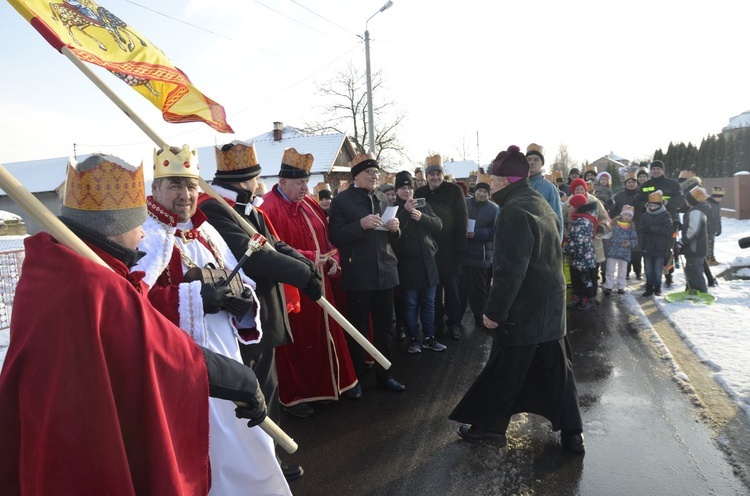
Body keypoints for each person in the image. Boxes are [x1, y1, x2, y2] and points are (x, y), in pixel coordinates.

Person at [0, 154, 268, 495]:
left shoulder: (50, 265)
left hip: (64, 422)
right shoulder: (93, 282)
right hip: (85, 439)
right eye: (137, 223)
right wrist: (241, 381)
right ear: (116, 226)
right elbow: (158, 348)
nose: (143, 234)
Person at [133, 145, 290, 495]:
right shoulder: (148, 235)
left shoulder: (206, 231)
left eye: (190, 185)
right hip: (182, 362)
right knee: (208, 444)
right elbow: (134, 303)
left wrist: (244, 301)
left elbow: (241, 279)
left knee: (246, 441)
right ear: (155, 188)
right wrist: (195, 298)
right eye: (174, 185)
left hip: (227, 352)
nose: (185, 194)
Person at [198, 143, 327, 480]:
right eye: (256, 179)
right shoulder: (215, 208)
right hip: (240, 318)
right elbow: (254, 258)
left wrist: (306, 265)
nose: (258, 185)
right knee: (251, 395)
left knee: (267, 389)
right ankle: (261, 463)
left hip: (262, 314)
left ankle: (271, 457)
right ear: (247, 182)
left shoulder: (248, 209)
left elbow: (272, 243)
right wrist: (303, 274)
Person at [450, 145, 584, 453]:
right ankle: (573, 434)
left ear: (506, 180)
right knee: (556, 371)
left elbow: (510, 271)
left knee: (504, 369)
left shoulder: (513, 210)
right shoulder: (536, 199)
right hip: (549, 305)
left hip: (526, 308)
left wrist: (493, 311)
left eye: (494, 180)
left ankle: (488, 427)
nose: (490, 184)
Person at [259, 147, 360, 403]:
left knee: (330, 332)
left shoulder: (311, 205)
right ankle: (300, 396)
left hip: (322, 282)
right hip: (291, 289)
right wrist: (311, 257)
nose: (305, 187)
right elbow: (271, 249)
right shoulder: (267, 209)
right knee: (300, 344)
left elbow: (328, 241)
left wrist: (334, 260)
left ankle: (340, 382)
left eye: (306, 181)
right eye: (299, 182)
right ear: (282, 182)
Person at [328, 153, 406, 395]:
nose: (374, 176)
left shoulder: (383, 198)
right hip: (359, 274)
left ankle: (385, 375)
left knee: (385, 329)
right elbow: (335, 236)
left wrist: (396, 229)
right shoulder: (341, 201)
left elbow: (393, 238)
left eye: (376, 172)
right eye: (369, 172)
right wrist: (360, 225)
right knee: (358, 329)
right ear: (356, 176)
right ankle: (356, 379)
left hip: (385, 272)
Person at [391, 170, 447, 354]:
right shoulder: (393, 208)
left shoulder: (422, 205)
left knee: (429, 302)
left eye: (409, 187)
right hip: (408, 265)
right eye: (402, 188)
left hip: (428, 263)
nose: (407, 191)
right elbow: (393, 235)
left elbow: (438, 225)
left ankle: (429, 338)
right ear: (397, 190)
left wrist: (421, 216)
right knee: (411, 303)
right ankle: (414, 339)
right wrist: (406, 214)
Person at [415, 154, 469, 340]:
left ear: (442, 174)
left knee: (452, 290)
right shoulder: (420, 194)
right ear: (426, 176)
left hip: (451, 249)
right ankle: (436, 322)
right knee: (434, 291)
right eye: (431, 174)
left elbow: (462, 220)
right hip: (429, 251)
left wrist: (461, 249)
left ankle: (454, 322)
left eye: (438, 173)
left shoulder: (454, 191)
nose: (435, 177)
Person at [637, 160, 683, 288]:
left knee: (669, 250)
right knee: (649, 250)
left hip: (669, 222)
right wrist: (645, 204)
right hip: (649, 222)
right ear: (650, 171)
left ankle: (668, 275)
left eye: (658, 169)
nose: (655, 171)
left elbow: (680, 201)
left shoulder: (673, 184)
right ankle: (650, 278)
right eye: (653, 169)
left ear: (663, 170)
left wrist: (667, 202)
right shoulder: (646, 185)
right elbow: (638, 201)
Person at [460, 175, 498, 328]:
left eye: (485, 191)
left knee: (480, 290)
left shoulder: (493, 209)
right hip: (463, 254)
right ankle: (456, 320)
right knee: (461, 289)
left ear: (488, 195)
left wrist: (477, 234)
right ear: (474, 191)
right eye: (479, 190)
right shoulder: (464, 203)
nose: (481, 194)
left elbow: (495, 231)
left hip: (481, 256)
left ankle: (480, 318)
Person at [564, 194, 599, 311]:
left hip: (583, 257)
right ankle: (578, 298)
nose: (570, 208)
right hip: (579, 256)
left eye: (572, 206)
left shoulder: (582, 221)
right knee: (577, 279)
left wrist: (565, 249)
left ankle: (589, 299)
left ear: (577, 207)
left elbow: (578, 241)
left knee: (585, 279)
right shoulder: (581, 219)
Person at [638, 191, 674, 297]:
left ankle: (657, 288)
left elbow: (668, 230)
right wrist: (643, 229)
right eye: (650, 205)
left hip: (660, 247)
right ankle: (649, 287)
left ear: (660, 205)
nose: (652, 207)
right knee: (648, 270)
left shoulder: (665, 215)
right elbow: (640, 229)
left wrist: (652, 228)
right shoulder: (645, 215)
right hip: (647, 247)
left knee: (658, 270)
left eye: (654, 205)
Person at [526, 143, 563, 237]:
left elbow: (557, 219)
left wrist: (555, 246)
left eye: (536, 159)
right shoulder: (516, 186)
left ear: (542, 163)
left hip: (542, 240)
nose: (532, 162)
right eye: (529, 159)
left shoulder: (550, 188)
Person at [679, 187, 711, 293]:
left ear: (692, 200)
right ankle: (691, 291)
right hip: (695, 248)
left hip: (694, 248)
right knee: (692, 271)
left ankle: (701, 293)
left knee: (695, 272)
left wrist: (682, 241)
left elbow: (693, 231)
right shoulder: (697, 211)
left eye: (687, 199)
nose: (685, 201)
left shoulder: (696, 212)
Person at [602, 205, 639, 295]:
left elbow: (635, 239)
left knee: (622, 271)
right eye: (625, 215)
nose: (627, 217)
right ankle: (608, 286)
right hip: (612, 251)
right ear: (621, 215)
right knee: (610, 270)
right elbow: (607, 234)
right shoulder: (613, 224)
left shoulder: (631, 228)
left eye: (629, 216)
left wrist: (630, 243)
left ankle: (621, 287)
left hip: (624, 252)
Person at [612, 172, 642, 279]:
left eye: (633, 182)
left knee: (637, 251)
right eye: (629, 182)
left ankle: (638, 271)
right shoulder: (619, 196)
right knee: (625, 249)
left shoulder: (641, 195)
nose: (631, 184)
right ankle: (626, 272)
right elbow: (614, 211)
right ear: (625, 184)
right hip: (623, 226)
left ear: (637, 183)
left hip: (637, 225)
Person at [706, 186, 724, 267]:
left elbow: (718, 217)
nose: (719, 199)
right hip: (707, 228)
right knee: (709, 243)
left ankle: (711, 258)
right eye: (717, 197)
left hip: (714, 227)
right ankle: (708, 259)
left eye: (720, 197)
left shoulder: (718, 205)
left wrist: (719, 227)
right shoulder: (708, 203)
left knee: (711, 243)